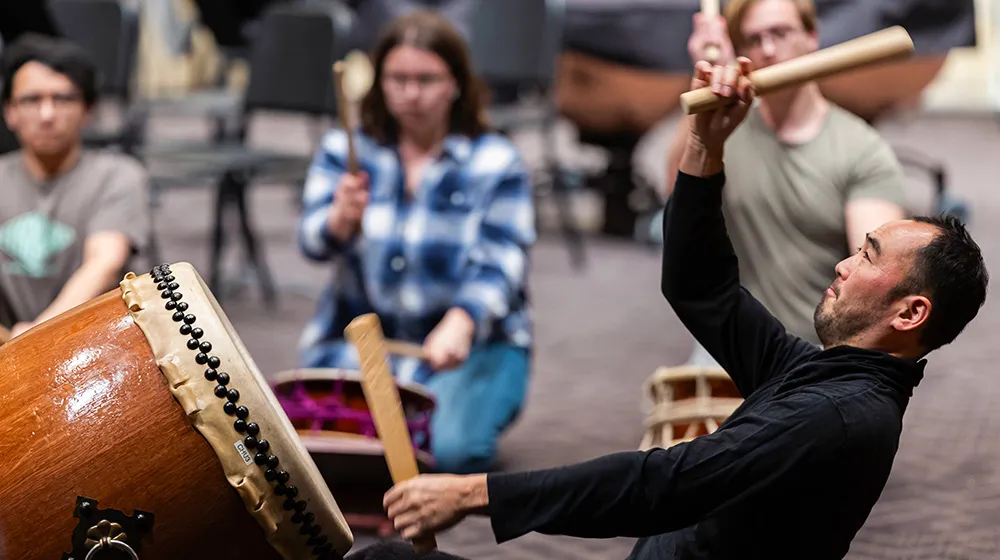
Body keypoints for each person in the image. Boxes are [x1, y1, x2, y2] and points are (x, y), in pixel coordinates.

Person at [371, 58, 989, 560]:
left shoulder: (837, 417)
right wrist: (704, 144)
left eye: (867, 256)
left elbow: (665, 483)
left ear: (909, 314)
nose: (842, 265)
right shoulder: (818, 376)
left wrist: (472, 492)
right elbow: (703, 289)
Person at [297, 10, 535, 475]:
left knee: (448, 453)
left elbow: (501, 263)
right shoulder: (345, 149)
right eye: (397, 79)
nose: (410, 94)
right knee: (308, 443)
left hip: (470, 342)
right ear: (378, 81)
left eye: (427, 79)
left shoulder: (496, 160)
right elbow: (311, 244)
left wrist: (462, 321)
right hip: (368, 341)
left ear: (457, 83)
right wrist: (338, 222)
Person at [664, 0, 907, 360]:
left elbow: (880, 280)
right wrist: (709, 84)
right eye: (753, 39)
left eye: (780, 33)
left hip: (813, 351)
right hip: (731, 341)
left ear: (811, 37)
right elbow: (676, 200)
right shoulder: (725, 128)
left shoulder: (862, 151)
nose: (768, 50)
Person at [0, 34, 151, 338]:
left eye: (63, 99)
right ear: (10, 112)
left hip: (94, 347)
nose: (47, 114)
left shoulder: (118, 175)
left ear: (87, 110)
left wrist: (34, 340)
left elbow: (105, 261)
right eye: (31, 100)